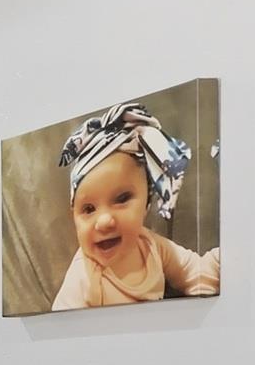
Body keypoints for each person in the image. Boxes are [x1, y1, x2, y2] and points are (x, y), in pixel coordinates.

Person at [50, 102, 220, 310]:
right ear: (74, 216)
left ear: (147, 202)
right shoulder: (83, 277)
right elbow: (62, 332)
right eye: (88, 209)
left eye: (121, 199)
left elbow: (197, 274)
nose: (104, 221)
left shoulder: (151, 245)